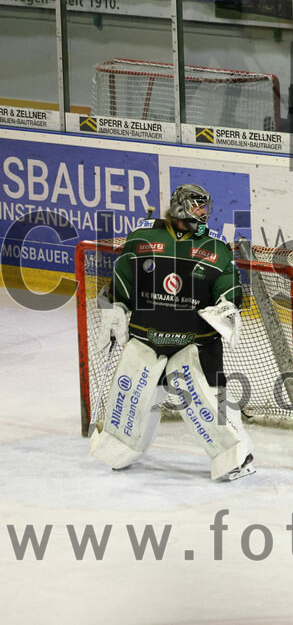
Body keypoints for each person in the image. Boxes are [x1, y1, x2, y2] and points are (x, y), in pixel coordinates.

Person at [89, 183, 253, 481]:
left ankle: (238, 456)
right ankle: (125, 448)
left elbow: (229, 289)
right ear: (181, 206)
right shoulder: (142, 237)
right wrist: (116, 306)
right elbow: (122, 280)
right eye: (198, 206)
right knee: (138, 396)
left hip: (196, 344)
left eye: (206, 206)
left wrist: (227, 307)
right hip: (147, 339)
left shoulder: (216, 247)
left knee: (212, 396)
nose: (204, 212)